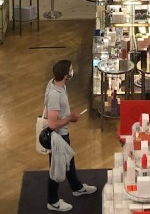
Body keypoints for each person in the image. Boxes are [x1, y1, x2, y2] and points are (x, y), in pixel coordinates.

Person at [44, 59, 97, 211]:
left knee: (69, 163)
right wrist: (69, 118)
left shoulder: (57, 84)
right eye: (71, 69)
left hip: (63, 135)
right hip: (58, 137)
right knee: (56, 168)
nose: (73, 71)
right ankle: (52, 201)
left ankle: (77, 187)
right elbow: (52, 124)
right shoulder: (55, 94)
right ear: (66, 75)